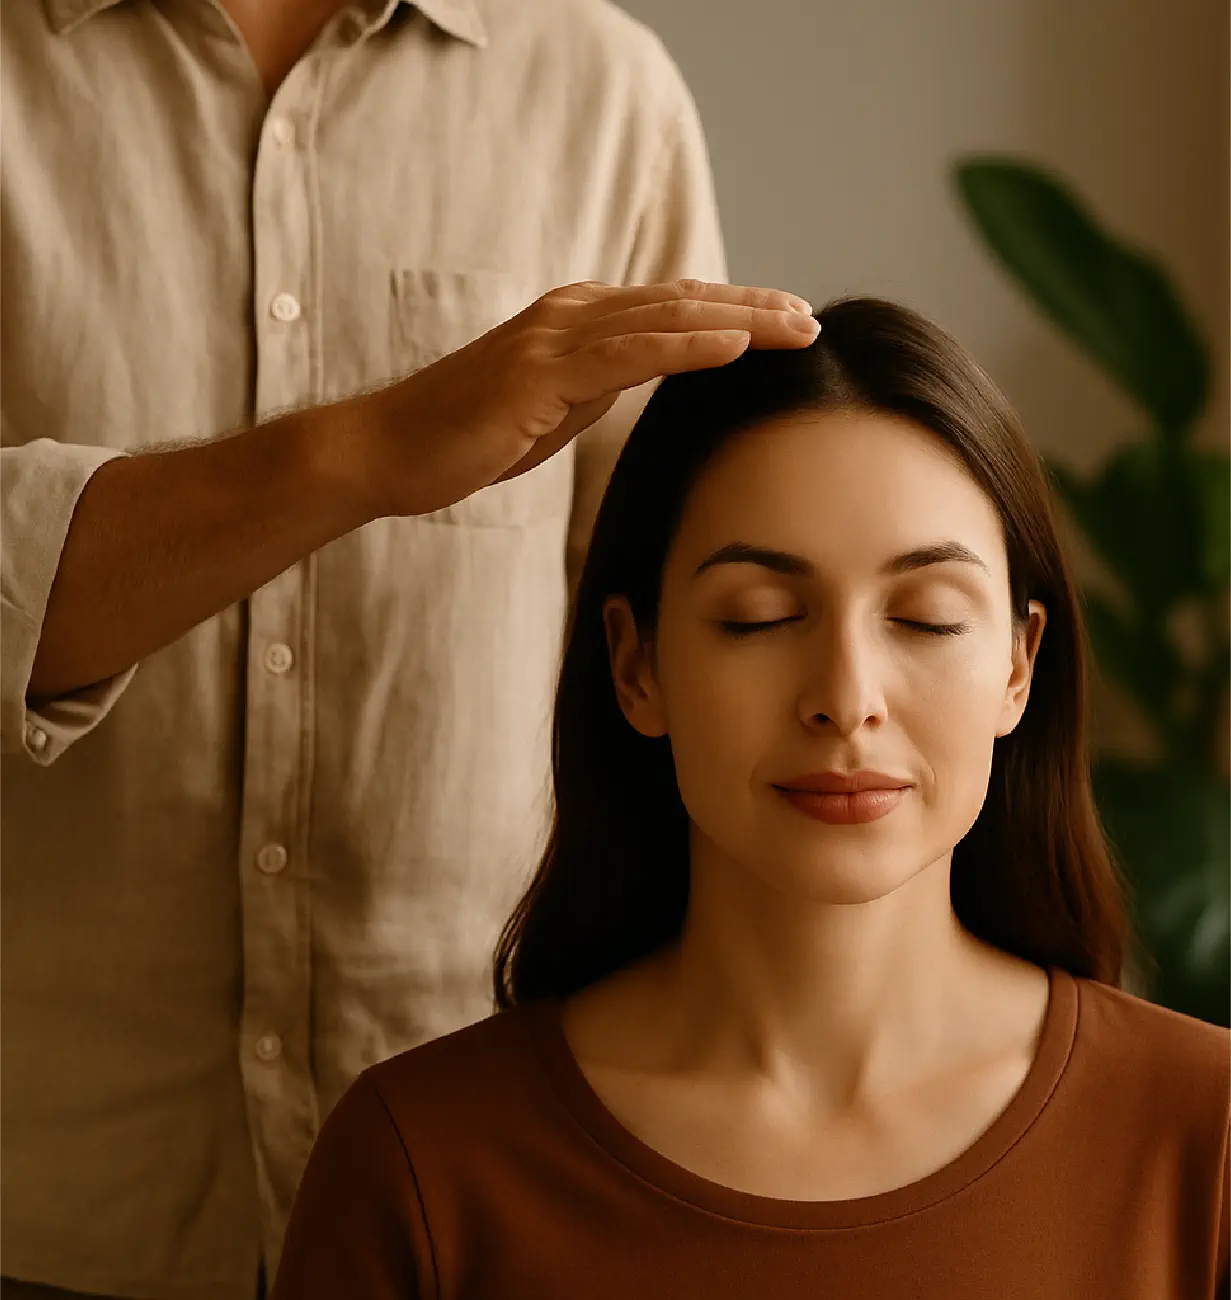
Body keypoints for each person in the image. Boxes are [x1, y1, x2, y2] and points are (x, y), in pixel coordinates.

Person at [0, 1, 822, 1295]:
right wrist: (368, 450)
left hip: (498, 1204)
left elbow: (675, 650)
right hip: (47, 1208)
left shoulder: (602, 91)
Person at [271, 297, 1231, 1299]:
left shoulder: (1201, 1134)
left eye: (924, 618)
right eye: (758, 618)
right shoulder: (424, 1163)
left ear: (1018, 667)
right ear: (635, 666)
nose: (846, 699)